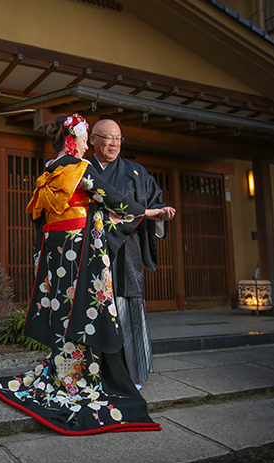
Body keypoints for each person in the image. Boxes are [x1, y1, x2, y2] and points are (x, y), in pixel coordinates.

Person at [0, 114, 163, 435]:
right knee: (90, 312)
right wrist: (147, 212)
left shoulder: (49, 168)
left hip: (56, 253)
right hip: (81, 251)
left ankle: (67, 369)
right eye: (86, 139)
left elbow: (40, 215)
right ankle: (85, 375)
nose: (88, 145)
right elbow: (112, 200)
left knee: (65, 312)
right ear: (75, 139)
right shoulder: (78, 168)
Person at [89, 119, 176, 389]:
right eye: (108, 138)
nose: (114, 143)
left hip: (126, 252)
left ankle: (132, 374)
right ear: (92, 139)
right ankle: (91, 372)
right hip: (91, 250)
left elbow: (155, 203)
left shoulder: (136, 172)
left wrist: (161, 213)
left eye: (118, 138)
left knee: (128, 311)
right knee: (92, 310)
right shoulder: (82, 170)